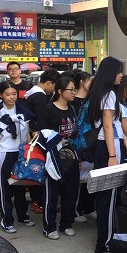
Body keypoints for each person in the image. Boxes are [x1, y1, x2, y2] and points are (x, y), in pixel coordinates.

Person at [0, 81, 36, 234]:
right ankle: (7, 220)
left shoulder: (23, 112)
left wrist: (29, 152)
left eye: (14, 94)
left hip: (20, 151)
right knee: (5, 187)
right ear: (1, 95)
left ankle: (23, 216)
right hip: (3, 152)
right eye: (8, 94)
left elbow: (27, 135)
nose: (11, 97)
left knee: (20, 185)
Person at [87, 56, 125, 253]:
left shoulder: (98, 92)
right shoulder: (108, 94)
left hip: (103, 147)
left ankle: (104, 241)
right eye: (119, 72)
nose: (121, 75)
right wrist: (113, 155)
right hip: (108, 148)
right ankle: (105, 243)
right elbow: (108, 125)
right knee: (109, 198)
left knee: (104, 197)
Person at [37, 76, 80, 240]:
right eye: (71, 90)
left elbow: (75, 133)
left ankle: (66, 224)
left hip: (71, 155)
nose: (74, 92)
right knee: (52, 193)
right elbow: (40, 133)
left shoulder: (72, 108)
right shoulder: (49, 110)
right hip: (53, 157)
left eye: (75, 89)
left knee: (71, 192)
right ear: (60, 91)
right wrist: (56, 139)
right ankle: (49, 227)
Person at [24, 68, 59, 215]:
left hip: (29, 135)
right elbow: (40, 120)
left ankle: (36, 201)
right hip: (37, 137)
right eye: (55, 86)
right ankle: (38, 201)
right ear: (49, 83)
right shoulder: (40, 97)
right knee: (39, 168)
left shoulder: (31, 93)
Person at [71, 70, 96, 223]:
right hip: (80, 142)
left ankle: (88, 208)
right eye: (90, 81)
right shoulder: (74, 102)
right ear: (82, 82)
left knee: (91, 177)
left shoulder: (91, 99)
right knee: (79, 180)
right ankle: (76, 210)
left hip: (91, 142)